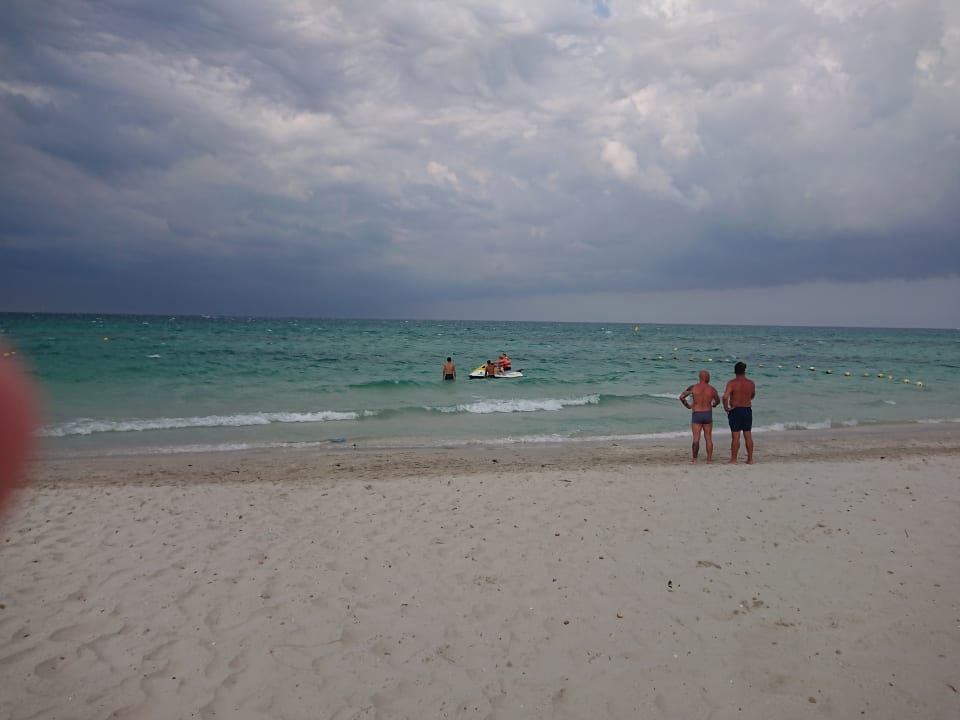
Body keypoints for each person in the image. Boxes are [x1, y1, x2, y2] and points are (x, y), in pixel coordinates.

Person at [679, 370, 721, 463]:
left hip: (697, 413)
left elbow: (681, 397)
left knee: (696, 438)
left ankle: (695, 459)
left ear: (700, 377)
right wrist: (714, 404)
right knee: (708, 438)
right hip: (707, 413)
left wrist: (688, 406)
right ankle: (709, 459)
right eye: (709, 376)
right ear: (707, 378)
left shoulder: (693, 387)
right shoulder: (712, 389)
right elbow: (718, 400)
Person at [723, 361, 756, 464]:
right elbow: (752, 395)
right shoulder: (751, 383)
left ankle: (734, 459)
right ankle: (750, 459)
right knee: (748, 434)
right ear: (744, 371)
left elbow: (725, 397)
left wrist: (726, 408)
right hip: (747, 409)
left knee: (735, 436)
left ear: (735, 371)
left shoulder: (732, 383)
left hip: (736, 410)